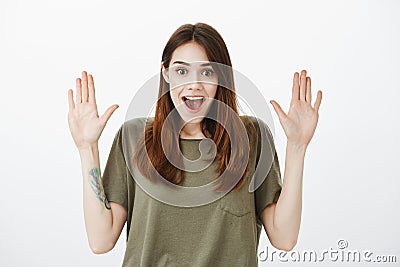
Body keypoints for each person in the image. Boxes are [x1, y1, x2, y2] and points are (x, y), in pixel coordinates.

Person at [67, 22, 322, 266]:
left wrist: (297, 146)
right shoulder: (134, 137)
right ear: (166, 74)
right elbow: (100, 241)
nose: (194, 84)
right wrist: (86, 147)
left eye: (207, 72)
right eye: (181, 71)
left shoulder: (251, 137)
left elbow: (284, 238)